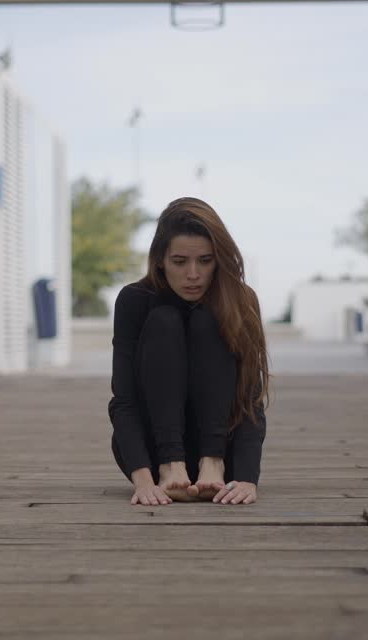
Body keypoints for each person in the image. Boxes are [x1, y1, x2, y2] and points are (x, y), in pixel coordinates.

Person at [108, 197, 270, 506]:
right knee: (164, 320)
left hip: (223, 459)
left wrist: (248, 479)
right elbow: (124, 401)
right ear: (160, 260)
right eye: (180, 262)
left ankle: (212, 462)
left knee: (208, 319)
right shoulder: (134, 300)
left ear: (219, 260)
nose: (193, 274)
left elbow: (251, 400)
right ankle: (173, 466)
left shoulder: (241, 300)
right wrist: (143, 481)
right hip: (154, 458)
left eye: (205, 261)